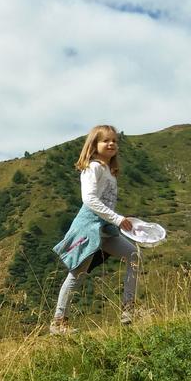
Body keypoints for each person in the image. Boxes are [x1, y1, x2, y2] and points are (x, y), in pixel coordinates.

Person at [50, 125, 140, 334]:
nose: (111, 144)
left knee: (134, 255)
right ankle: (58, 322)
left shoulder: (109, 171)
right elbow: (89, 199)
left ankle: (128, 309)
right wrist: (118, 219)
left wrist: (118, 222)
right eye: (106, 140)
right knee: (78, 274)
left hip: (105, 228)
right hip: (89, 226)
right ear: (94, 145)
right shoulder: (93, 167)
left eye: (114, 141)